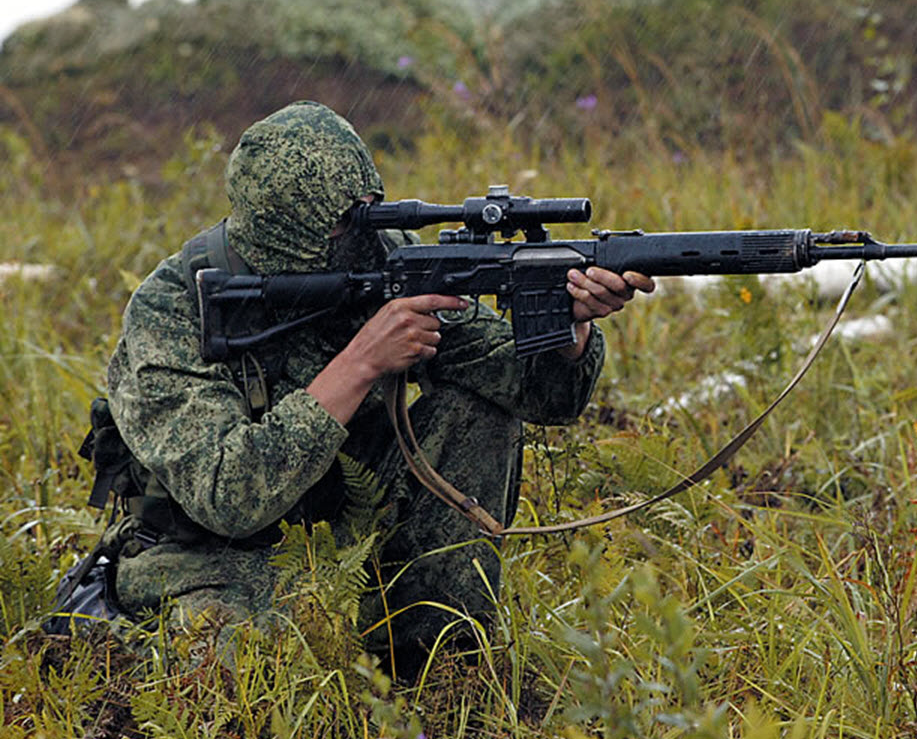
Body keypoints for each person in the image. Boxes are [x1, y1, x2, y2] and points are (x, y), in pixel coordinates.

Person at [103, 100, 653, 667]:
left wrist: (572, 327)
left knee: (478, 410)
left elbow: (539, 394)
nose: (364, 234)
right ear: (285, 230)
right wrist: (361, 360)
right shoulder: (173, 310)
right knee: (252, 669)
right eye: (344, 221)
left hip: (351, 528)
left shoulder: (383, 261)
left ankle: (438, 656)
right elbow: (228, 497)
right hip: (208, 557)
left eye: (371, 209)